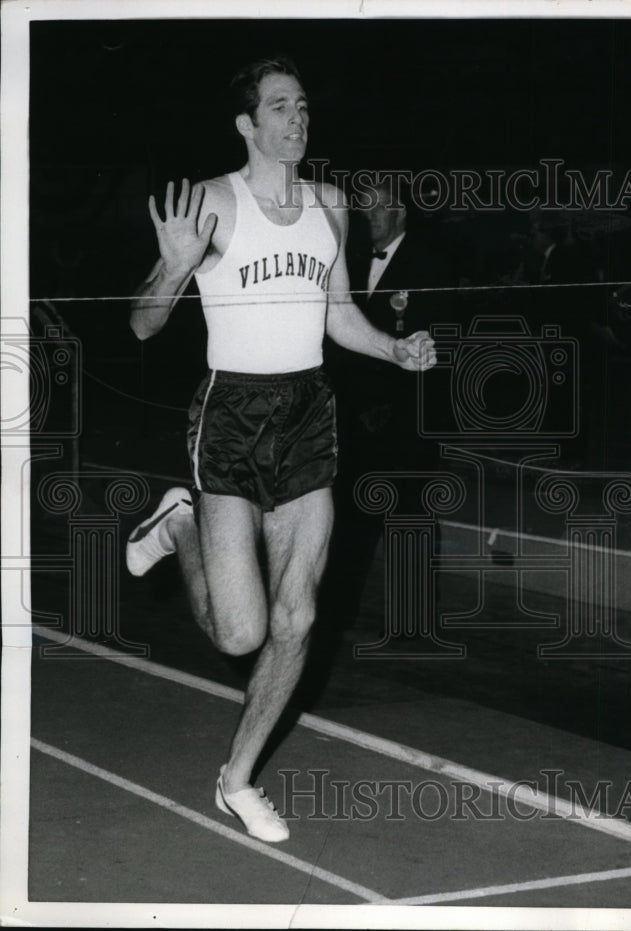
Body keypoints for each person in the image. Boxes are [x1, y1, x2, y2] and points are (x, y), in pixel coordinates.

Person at [124, 56, 435, 843]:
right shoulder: (213, 205)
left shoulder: (332, 208)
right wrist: (175, 266)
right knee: (240, 633)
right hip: (230, 413)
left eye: (302, 106)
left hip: (307, 414)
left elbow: (340, 319)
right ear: (247, 125)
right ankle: (180, 523)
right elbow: (142, 324)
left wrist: (394, 350)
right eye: (280, 108)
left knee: (298, 615)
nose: (297, 119)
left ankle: (238, 778)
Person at [325, 177, 454, 632]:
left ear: (400, 212)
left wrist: (389, 405)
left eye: (375, 210)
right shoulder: (351, 261)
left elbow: (434, 344)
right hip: (352, 419)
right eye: (361, 212)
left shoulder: (432, 266)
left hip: (407, 422)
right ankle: (336, 611)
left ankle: (414, 619)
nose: (366, 219)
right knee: (350, 520)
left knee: (411, 517)